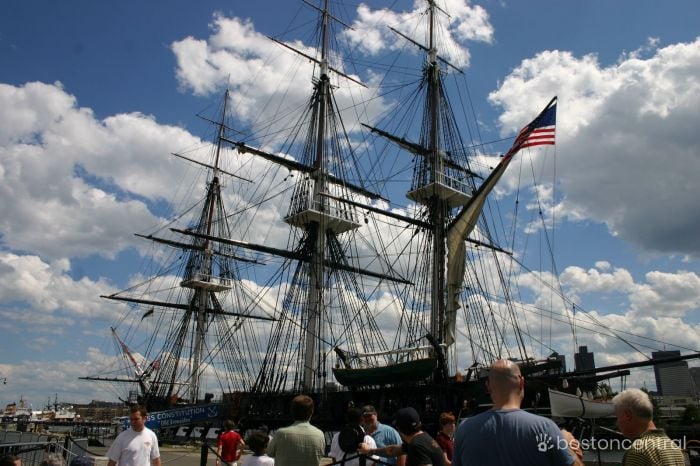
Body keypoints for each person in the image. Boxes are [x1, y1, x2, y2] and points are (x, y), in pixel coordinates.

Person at [452, 360, 583, 466]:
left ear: (488, 386)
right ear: (521, 383)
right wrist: (567, 443)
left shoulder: (464, 429)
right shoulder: (546, 427)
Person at [613, 388, 685, 466]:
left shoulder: (639, 452)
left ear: (627, 415)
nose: (617, 423)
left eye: (617, 417)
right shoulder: (673, 447)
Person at [358, 407, 445, 466]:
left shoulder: (416, 446)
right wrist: (369, 451)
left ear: (400, 429)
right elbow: (392, 450)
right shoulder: (422, 438)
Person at [267, 395, 325, 466]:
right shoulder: (319, 435)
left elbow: (269, 453)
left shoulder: (281, 433)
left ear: (292, 411)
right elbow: (321, 455)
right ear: (311, 412)